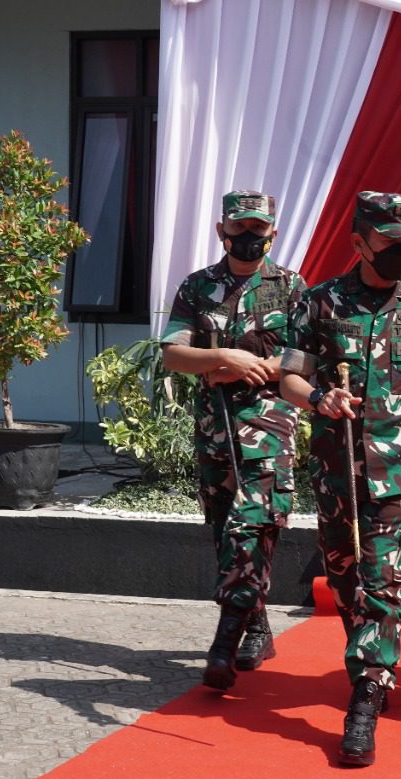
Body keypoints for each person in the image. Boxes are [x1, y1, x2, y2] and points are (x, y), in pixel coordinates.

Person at [280, 191, 401, 766]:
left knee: (382, 584)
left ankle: (366, 694)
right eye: (389, 242)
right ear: (360, 242)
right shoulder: (320, 302)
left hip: (396, 473)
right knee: (343, 579)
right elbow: (290, 378)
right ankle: (369, 663)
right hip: (336, 470)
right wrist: (319, 399)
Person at [161, 190, 306, 693]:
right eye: (239, 228)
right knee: (226, 529)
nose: (248, 236)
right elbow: (173, 353)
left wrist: (257, 367)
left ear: (273, 233)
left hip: (269, 425)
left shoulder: (291, 287)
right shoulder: (198, 286)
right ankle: (257, 625)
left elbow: (305, 357)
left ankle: (224, 642)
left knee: (254, 523)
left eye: (257, 229)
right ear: (222, 231)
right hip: (215, 428)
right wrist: (223, 359)